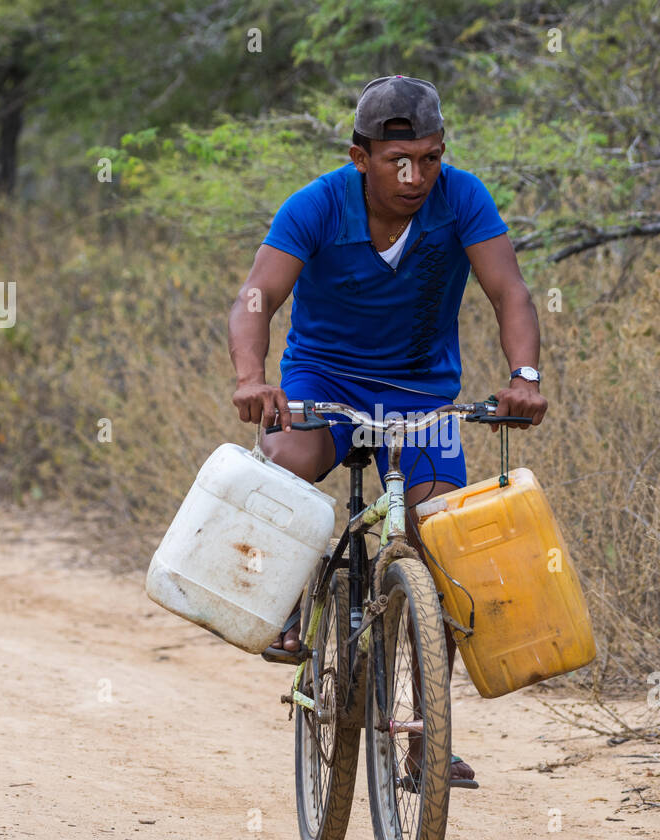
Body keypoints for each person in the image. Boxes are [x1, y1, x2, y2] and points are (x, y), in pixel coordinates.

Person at [227, 75, 546, 787]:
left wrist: (523, 375)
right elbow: (256, 297)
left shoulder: (462, 198)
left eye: (429, 159)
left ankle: (424, 733)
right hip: (324, 382)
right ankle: (291, 599)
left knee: (444, 539)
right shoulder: (315, 205)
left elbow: (509, 291)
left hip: (420, 394)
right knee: (286, 460)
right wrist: (253, 377)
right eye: (398, 161)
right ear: (359, 156)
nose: (415, 177)